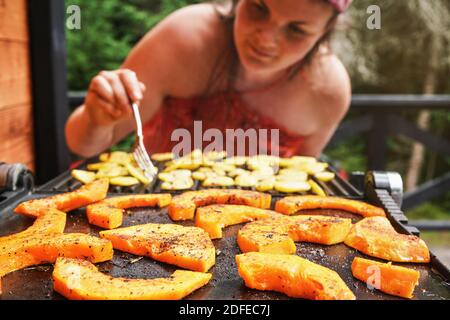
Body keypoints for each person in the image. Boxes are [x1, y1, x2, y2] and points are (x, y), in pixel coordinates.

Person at [66, 0, 352, 159]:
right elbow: (83, 145)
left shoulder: (328, 90)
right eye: (258, 8)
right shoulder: (183, 38)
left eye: (297, 30)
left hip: (261, 243)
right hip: (154, 224)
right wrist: (97, 119)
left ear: (326, 31)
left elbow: (301, 186)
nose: (266, 39)